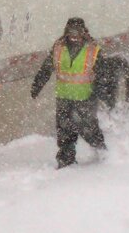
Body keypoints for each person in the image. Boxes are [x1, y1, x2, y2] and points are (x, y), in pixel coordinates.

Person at [30, 16, 106, 168]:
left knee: (89, 130)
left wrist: (99, 93)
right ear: (66, 32)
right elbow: (46, 68)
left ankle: (103, 153)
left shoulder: (93, 50)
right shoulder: (58, 48)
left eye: (77, 32)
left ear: (83, 32)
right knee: (64, 131)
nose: (73, 35)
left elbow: (103, 75)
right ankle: (66, 161)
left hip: (85, 98)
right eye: (70, 31)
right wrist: (37, 85)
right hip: (63, 98)